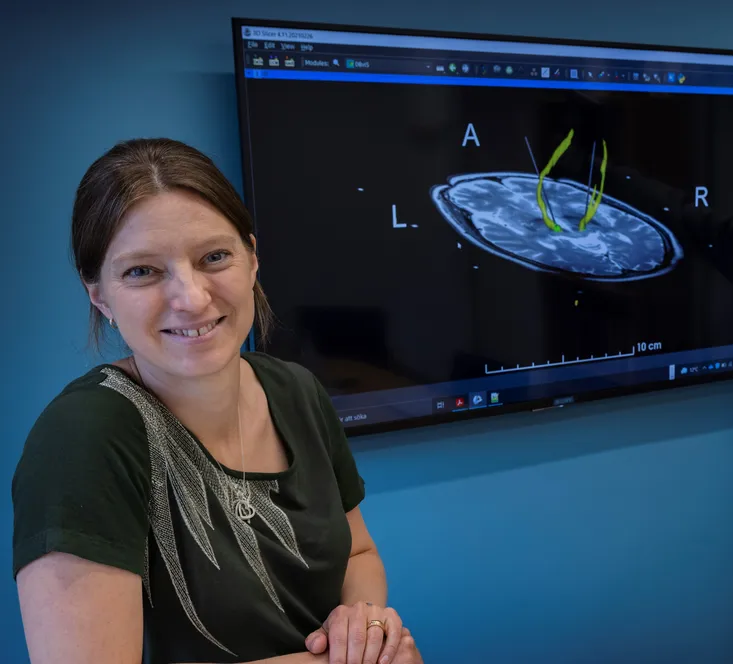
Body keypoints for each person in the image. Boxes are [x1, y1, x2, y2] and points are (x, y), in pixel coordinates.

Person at [11, 138, 425, 664]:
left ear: (253, 260)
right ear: (99, 295)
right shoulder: (85, 436)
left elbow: (358, 552)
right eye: (142, 271)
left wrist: (365, 629)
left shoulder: (296, 390)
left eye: (214, 257)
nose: (191, 298)